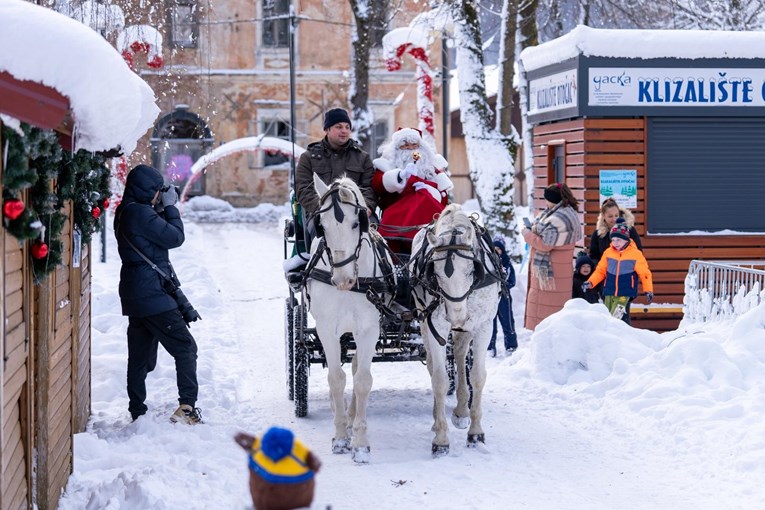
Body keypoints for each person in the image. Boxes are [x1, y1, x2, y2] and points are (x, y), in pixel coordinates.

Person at [114, 164, 202, 425]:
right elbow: (175, 237)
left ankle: (137, 411)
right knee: (185, 348)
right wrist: (172, 208)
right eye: (157, 191)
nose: (159, 196)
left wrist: (160, 209)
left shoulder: (128, 210)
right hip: (152, 293)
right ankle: (187, 409)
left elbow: (152, 236)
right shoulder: (140, 213)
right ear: (147, 190)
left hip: (136, 292)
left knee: (140, 357)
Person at [295, 108, 377, 245]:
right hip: (321, 212)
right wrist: (324, 208)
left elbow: (369, 188)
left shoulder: (362, 157)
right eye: (338, 127)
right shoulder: (309, 158)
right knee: (322, 238)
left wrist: (366, 207)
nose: (344, 131)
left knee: (373, 235)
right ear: (327, 129)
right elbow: (303, 189)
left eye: (347, 127)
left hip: (356, 211)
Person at [371, 127, 452, 254]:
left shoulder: (432, 166)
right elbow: (378, 185)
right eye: (405, 145)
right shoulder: (386, 165)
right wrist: (400, 176)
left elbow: (443, 196)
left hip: (428, 217)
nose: (411, 148)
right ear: (396, 149)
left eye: (414, 145)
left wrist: (427, 188)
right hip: (398, 214)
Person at [522, 182, 583, 331]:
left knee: (546, 316)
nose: (545, 203)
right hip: (559, 271)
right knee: (554, 313)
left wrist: (527, 234)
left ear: (553, 200)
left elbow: (544, 244)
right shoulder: (567, 213)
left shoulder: (558, 219)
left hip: (550, 275)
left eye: (547, 199)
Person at [583, 217, 654, 324]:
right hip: (609, 291)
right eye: (613, 240)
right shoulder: (608, 253)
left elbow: (645, 273)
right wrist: (591, 282)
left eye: (618, 240)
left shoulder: (635, 254)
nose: (615, 243)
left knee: (617, 318)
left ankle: (624, 338)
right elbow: (600, 271)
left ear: (626, 239)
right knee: (608, 317)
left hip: (625, 292)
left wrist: (648, 290)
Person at [234, 427, 321, 510]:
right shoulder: (298, 451)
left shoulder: (258, 447)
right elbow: (316, 464)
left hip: (264, 503)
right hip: (300, 498)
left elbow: (250, 444)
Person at [589, 197, 642, 265]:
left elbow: (638, 252)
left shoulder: (630, 230)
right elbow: (594, 257)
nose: (614, 219)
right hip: (606, 271)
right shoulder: (598, 234)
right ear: (603, 216)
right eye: (610, 216)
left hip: (627, 270)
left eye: (616, 215)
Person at [487, 236, 517, 357]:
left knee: (507, 322)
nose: (497, 251)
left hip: (504, 297)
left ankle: (510, 346)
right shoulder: (488, 263)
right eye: (494, 249)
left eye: (499, 249)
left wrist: (503, 286)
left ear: (503, 250)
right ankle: (490, 347)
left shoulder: (507, 264)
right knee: (490, 324)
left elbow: (511, 280)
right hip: (490, 298)